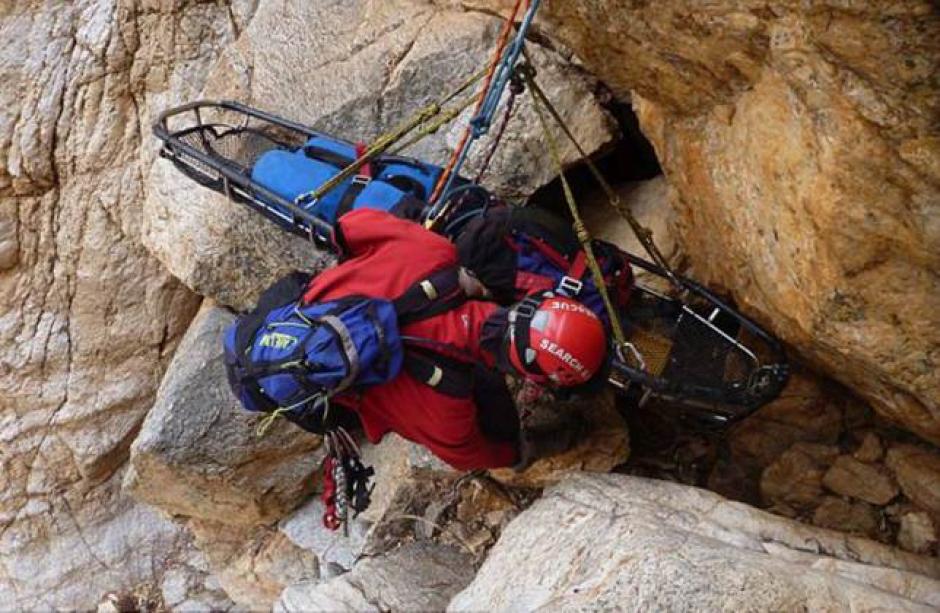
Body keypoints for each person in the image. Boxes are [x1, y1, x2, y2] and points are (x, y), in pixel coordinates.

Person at [296, 208, 610, 471]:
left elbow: (352, 225)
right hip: (321, 385)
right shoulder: (448, 403)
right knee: (508, 445)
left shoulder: (434, 254)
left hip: (306, 311)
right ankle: (550, 443)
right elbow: (476, 456)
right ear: (530, 374)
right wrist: (512, 454)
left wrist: (368, 272)